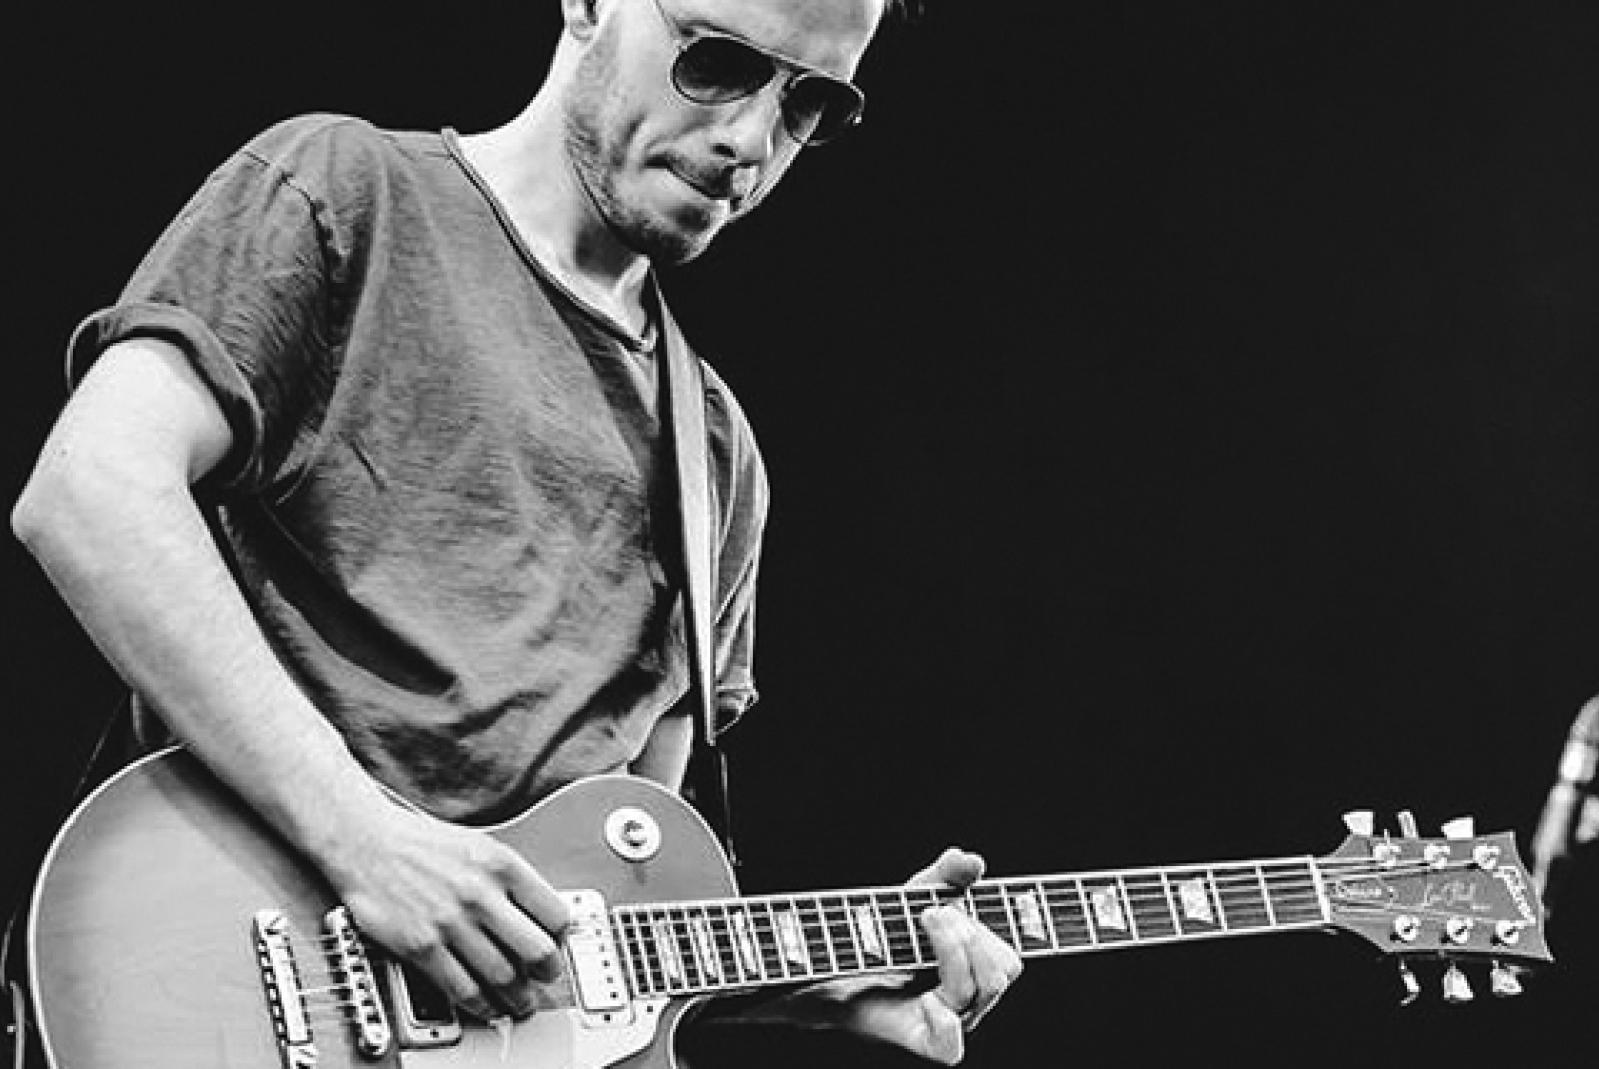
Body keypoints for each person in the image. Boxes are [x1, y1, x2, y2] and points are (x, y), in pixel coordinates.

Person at [10, 0, 1021, 1064]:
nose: (750, 140)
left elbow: (609, 935)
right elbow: (91, 490)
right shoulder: (349, 195)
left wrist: (810, 983)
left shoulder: (717, 459)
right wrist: (366, 841)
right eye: (718, 62)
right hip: (211, 982)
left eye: (808, 103)